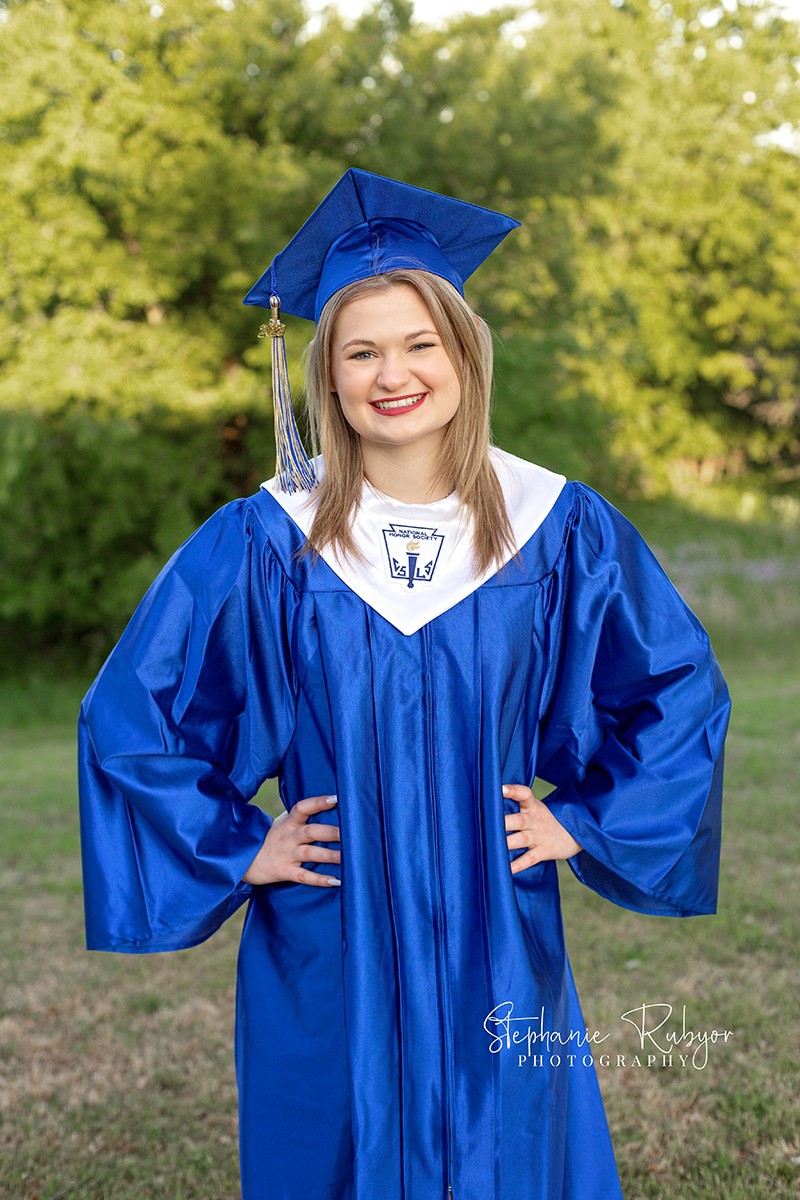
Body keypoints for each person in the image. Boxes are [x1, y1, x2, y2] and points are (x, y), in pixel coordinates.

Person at [78, 168, 730, 1200]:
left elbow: (675, 685)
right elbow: (130, 715)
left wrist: (586, 822)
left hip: (495, 924)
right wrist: (243, 845)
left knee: (506, 1147)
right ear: (326, 377)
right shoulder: (266, 542)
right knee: (333, 1147)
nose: (394, 373)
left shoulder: (554, 528)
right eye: (361, 350)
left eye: (420, 343)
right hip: (331, 928)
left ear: (463, 358)